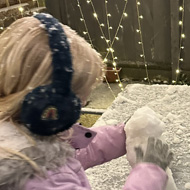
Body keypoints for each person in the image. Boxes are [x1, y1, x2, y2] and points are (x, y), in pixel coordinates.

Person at [0, 13, 173, 190]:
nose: (83, 105)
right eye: (78, 100)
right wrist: (150, 170)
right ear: (51, 106)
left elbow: (72, 153)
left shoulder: (23, 135)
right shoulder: (42, 180)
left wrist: (125, 133)